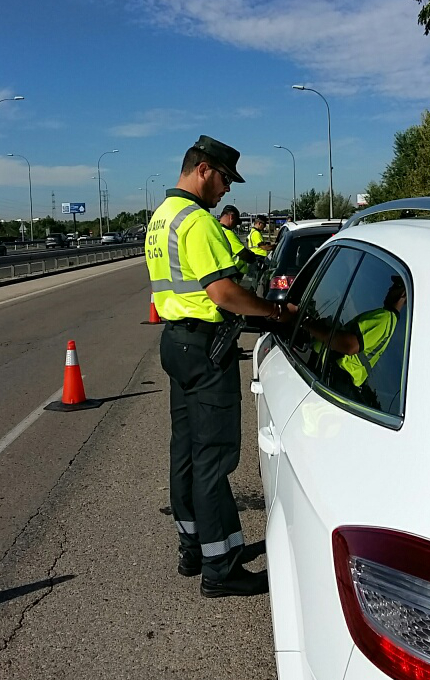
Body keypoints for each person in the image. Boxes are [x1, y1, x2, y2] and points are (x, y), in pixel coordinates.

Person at [145, 135, 297, 598]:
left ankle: (193, 547)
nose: (228, 190)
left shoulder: (161, 218)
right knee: (214, 459)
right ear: (205, 169)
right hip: (205, 345)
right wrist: (273, 313)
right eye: (226, 179)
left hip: (176, 342)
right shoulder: (197, 221)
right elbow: (223, 293)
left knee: (187, 453)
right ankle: (221, 568)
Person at [303, 275, 407, 400]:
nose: (390, 289)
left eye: (395, 286)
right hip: (336, 380)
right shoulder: (390, 322)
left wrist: (308, 325)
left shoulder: (385, 318)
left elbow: (349, 345)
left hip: (333, 376)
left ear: (403, 294)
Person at [218, 204, 256, 280]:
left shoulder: (217, 230)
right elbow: (242, 253)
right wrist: (253, 258)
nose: (235, 225)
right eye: (235, 222)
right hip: (233, 274)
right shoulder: (227, 233)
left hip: (222, 273)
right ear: (231, 217)